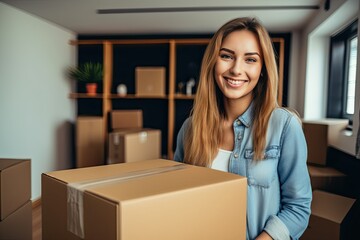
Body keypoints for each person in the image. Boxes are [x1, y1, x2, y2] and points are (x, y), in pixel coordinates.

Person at [174, 17, 312, 240]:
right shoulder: (190, 129)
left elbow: (298, 207)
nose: (236, 69)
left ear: (263, 69)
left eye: (250, 59)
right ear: (213, 62)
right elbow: (176, 200)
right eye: (226, 56)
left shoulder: (284, 126)